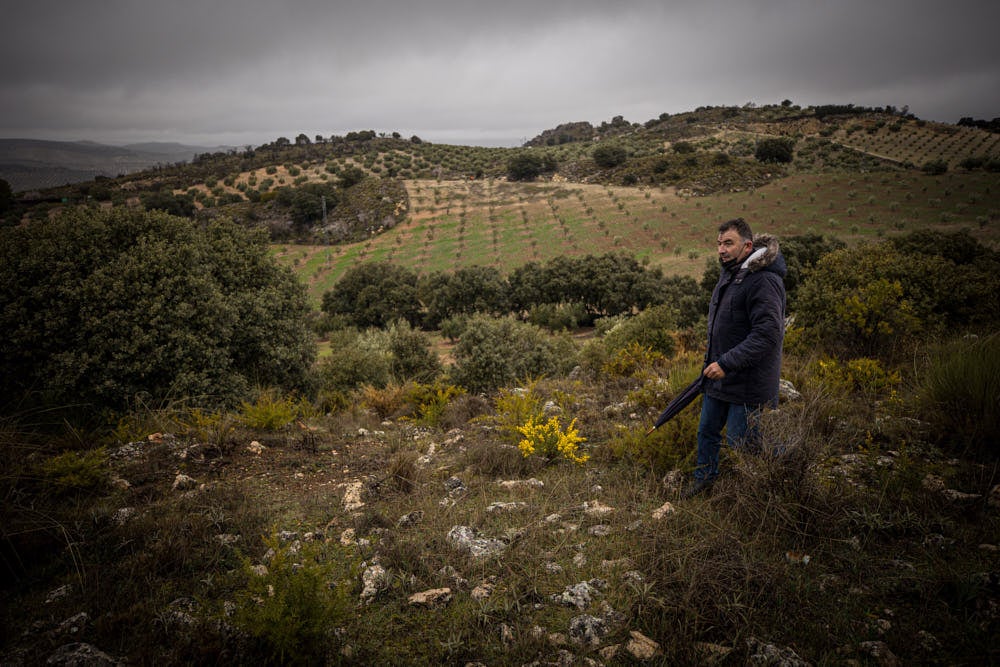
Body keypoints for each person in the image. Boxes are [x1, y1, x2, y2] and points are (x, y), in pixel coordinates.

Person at [682, 218, 787, 499]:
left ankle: (778, 476)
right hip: (718, 377)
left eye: (728, 243)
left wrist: (727, 363)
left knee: (743, 443)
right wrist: (713, 363)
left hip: (747, 381)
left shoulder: (764, 280)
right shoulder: (730, 274)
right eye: (719, 244)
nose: (721, 250)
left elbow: (767, 334)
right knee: (707, 432)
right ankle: (704, 481)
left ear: (748, 245)